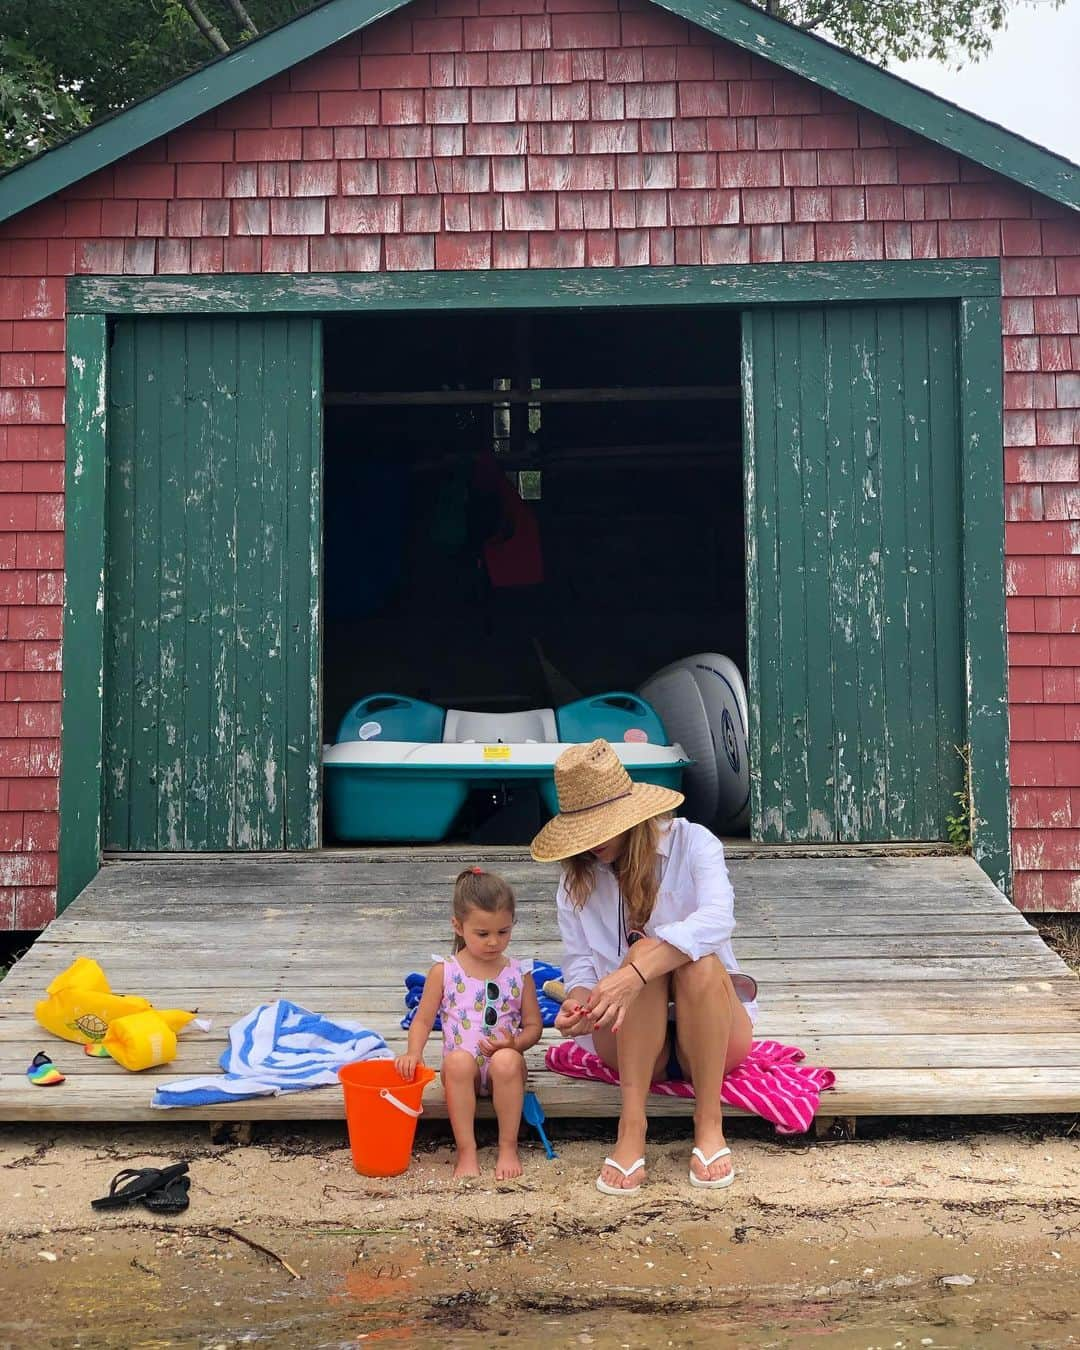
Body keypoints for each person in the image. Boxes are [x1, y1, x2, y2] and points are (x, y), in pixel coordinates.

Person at [530, 739, 758, 1196]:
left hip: (715, 1035)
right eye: (583, 831)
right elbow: (578, 969)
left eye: (600, 828)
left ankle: (708, 1123)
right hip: (630, 1043)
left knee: (688, 962)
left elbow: (718, 920)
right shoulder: (576, 877)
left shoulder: (694, 843)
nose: (592, 843)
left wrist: (636, 970)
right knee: (638, 967)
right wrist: (577, 1004)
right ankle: (631, 1127)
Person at [395, 867, 543, 1180]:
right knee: (459, 1062)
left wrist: (515, 1044)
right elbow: (422, 1020)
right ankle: (466, 1150)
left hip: (506, 1068)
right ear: (459, 927)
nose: (494, 942)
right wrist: (413, 1052)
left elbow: (533, 1026)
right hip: (463, 1072)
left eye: (503, 932)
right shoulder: (445, 971)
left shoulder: (520, 973)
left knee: (505, 1060)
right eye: (483, 934)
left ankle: (507, 1146)